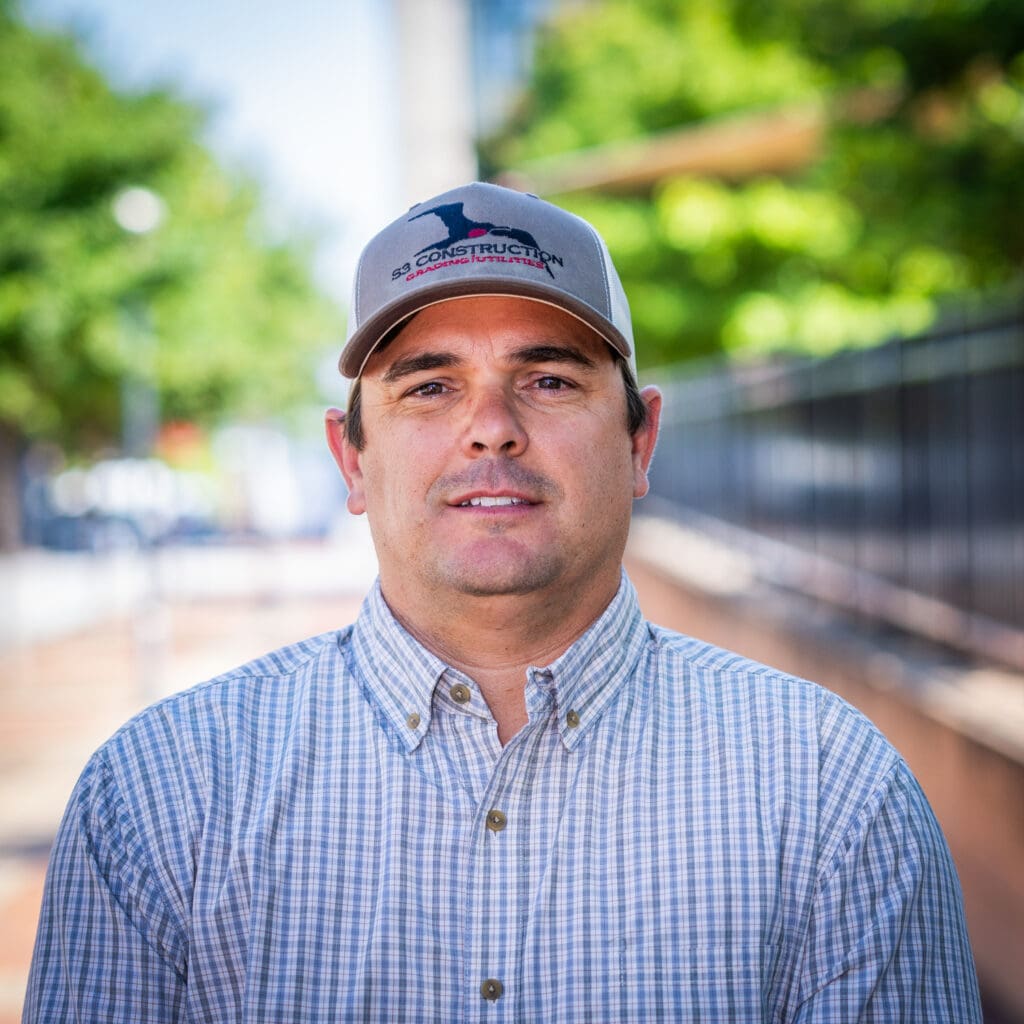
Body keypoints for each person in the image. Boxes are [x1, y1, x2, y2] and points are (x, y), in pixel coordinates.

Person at [24, 182, 981, 1022]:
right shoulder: (163, 795)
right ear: (351, 459)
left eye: (549, 379)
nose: (491, 430)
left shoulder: (828, 789)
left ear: (640, 442)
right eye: (430, 387)